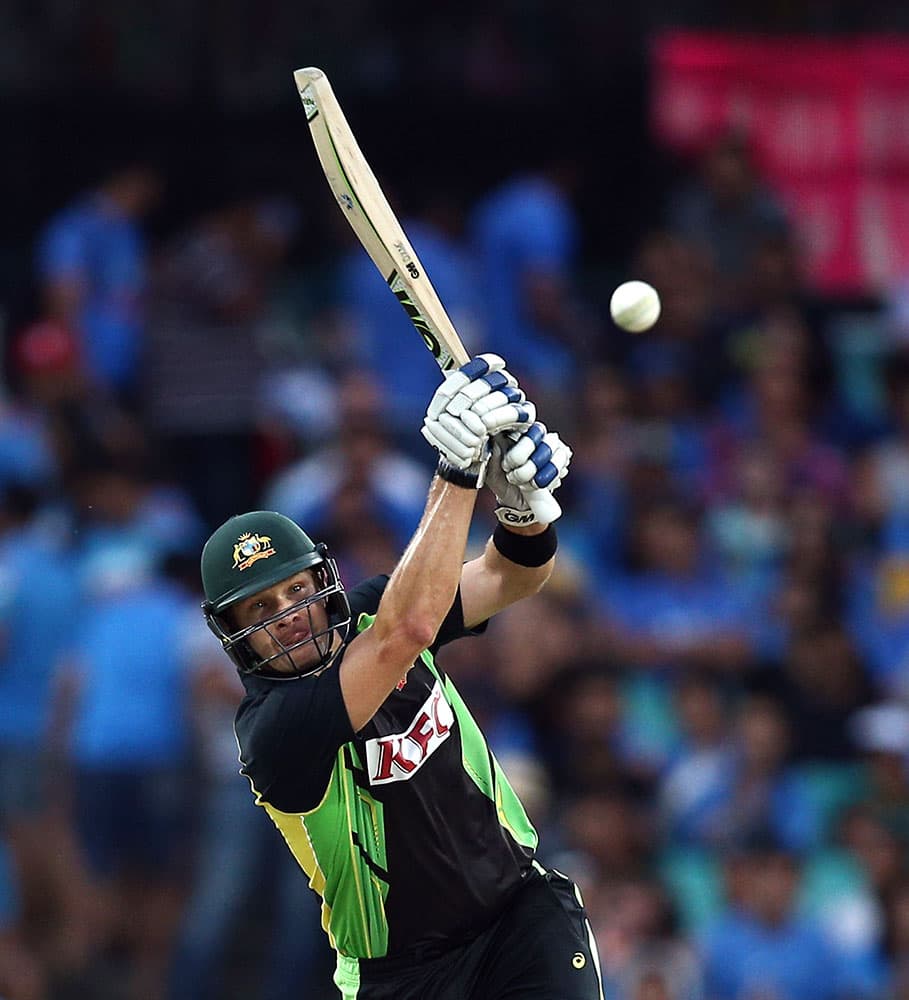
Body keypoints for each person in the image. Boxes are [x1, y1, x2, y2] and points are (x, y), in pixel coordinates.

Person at [199, 354, 601, 999]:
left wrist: (523, 508)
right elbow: (408, 631)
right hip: (403, 976)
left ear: (322, 583)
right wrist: (457, 470)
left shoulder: (370, 613)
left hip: (518, 916)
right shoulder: (273, 731)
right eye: (261, 611)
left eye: (294, 592)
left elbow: (513, 574)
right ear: (235, 637)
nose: (288, 617)